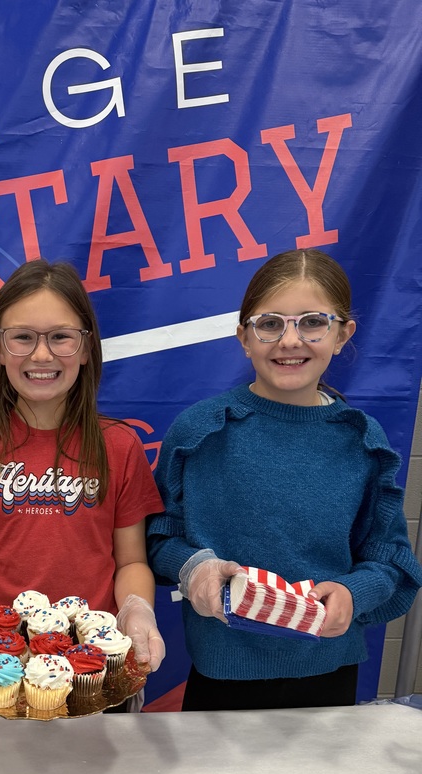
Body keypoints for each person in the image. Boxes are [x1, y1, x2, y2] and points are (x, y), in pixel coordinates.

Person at [147, 248, 422, 711]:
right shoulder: (200, 431)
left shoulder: (362, 439)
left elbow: (390, 558)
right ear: (244, 337)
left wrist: (356, 593)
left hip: (328, 670)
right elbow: (157, 536)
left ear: (342, 334)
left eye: (313, 322)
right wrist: (192, 567)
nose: (290, 340)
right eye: (270, 324)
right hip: (221, 674)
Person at [0, 258, 165, 710]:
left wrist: (138, 611)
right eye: (23, 337)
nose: (42, 355)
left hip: (95, 668)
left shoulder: (119, 446)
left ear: (87, 348)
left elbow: (131, 563)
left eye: (61, 337)